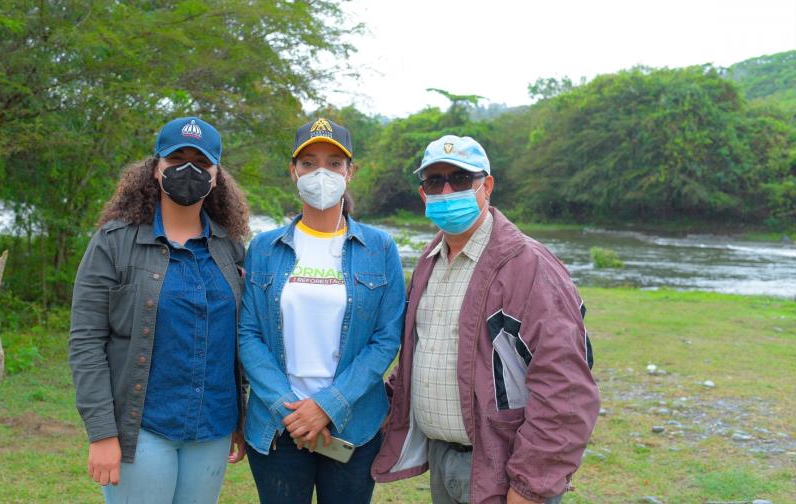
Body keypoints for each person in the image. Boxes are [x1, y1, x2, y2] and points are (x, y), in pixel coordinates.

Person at [372, 135, 600, 504]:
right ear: (422, 194)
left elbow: (566, 388)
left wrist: (530, 487)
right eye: (435, 181)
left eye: (461, 180)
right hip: (443, 459)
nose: (447, 190)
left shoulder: (528, 266)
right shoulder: (430, 261)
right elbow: (422, 354)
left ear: (487, 186)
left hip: (504, 466)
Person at [69, 117, 251, 503]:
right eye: (176, 159)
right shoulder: (113, 242)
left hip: (213, 427)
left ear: (216, 176)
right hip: (143, 428)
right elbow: (86, 341)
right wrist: (102, 433)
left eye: (201, 164)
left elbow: (240, 338)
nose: (189, 170)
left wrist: (240, 418)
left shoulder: (229, 247)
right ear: (155, 169)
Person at [238, 118, 404, 504]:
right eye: (309, 163)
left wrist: (327, 406)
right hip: (279, 426)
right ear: (293, 171)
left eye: (334, 163)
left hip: (353, 425)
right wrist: (290, 409)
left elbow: (385, 338)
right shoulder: (263, 248)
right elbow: (248, 334)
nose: (321, 173)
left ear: (351, 171)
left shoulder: (380, 248)